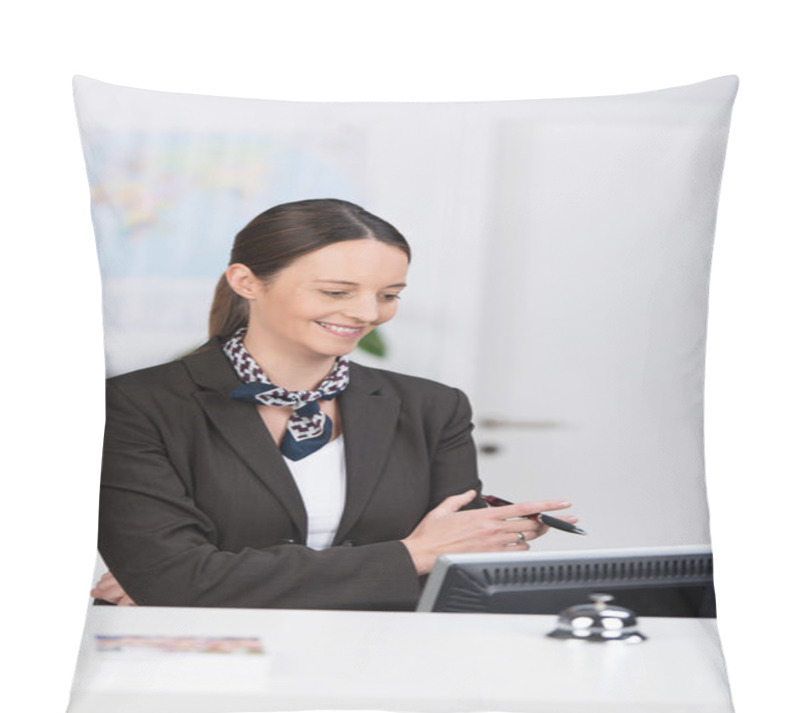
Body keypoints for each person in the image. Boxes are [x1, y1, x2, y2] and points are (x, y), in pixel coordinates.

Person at [91, 199, 577, 611]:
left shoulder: (433, 408)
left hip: (381, 652)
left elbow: (452, 571)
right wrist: (410, 556)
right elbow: (176, 581)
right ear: (246, 281)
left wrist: (481, 536)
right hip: (204, 655)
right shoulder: (135, 406)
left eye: (389, 295)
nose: (368, 314)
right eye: (336, 292)